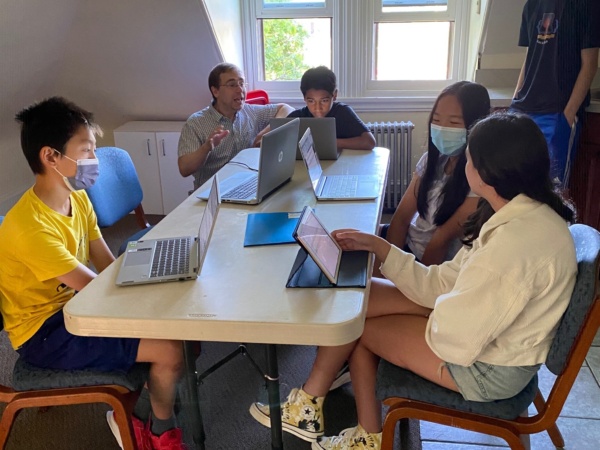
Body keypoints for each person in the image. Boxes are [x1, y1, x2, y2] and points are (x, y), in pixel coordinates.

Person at [249, 112, 577, 450]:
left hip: (485, 366)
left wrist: (413, 314)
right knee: (360, 297)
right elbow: (447, 282)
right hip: (482, 329)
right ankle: (311, 402)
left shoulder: (513, 246)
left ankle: (360, 433)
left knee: (356, 326)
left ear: (485, 172)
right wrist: (382, 248)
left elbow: (458, 337)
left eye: (467, 158)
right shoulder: (520, 213)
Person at [0, 97, 187, 450]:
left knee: (176, 325)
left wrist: (153, 281)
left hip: (77, 307)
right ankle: (159, 433)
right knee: (171, 350)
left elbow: (105, 263)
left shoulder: (78, 198)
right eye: (86, 150)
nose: (94, 159)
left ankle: (143, 406)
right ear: (51, 156)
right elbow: (95, 289)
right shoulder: (30, 229)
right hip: (45, 333)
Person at [380, 81, 490, 268]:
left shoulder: (477, 177)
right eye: (436, 120)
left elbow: (440, 242)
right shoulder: (431, 160)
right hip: (409, 247)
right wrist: (386, 266)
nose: (442, 128)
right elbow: (400, 219)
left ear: (476, 125)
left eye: (454, 122)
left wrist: (397, 280)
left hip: (429, 267)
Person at [510, 0, 600, 187]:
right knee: (512, 188)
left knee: (551, 191)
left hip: (557, 114)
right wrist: (515, 99)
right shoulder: (531, 5)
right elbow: (529, 57)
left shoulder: (587, 5)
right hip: (522, 111)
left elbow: (589, 64)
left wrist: (567, 115)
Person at [178, 62, 294, 190]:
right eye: (232, 85)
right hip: (211, 193)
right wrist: (206, 147)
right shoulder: (196, 123)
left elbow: (286, 108)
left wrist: (269, 131)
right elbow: (184, 169)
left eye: (242, 83)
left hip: (248, 187)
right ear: (215, 91)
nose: (240, 90)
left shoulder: (250, 112)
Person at [288, 66, 376, 150]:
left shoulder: (342, 112)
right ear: (304, 98)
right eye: (311, 101)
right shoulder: (297, 118)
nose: (318, 108)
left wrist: (329, 143)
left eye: (324, 101)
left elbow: (369, 142)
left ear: (334, 95)